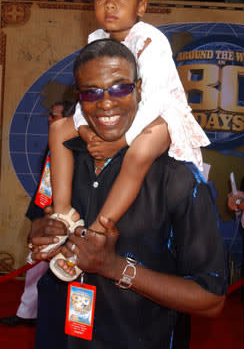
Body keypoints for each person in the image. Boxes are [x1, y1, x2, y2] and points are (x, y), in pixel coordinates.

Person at [29, 39, 227, 349]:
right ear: (79, 98)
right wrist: (43, 232)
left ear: (138, 89)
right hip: (59, 336)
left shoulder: (177, 176)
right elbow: (47, 216)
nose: (106, 103)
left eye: (120, 88)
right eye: (91, 92)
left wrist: (114, 267)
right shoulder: (65, 155)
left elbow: (211, 299)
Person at [45, 0, 210, 281]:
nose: (110, 5)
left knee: (140, 151)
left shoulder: (150, 40)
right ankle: (64, 212)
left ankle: (96, 232)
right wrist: (81, 127)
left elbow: (155, 99)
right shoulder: (96, 41)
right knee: (58, 127)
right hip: (117, 118)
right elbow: (86, 91)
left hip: (161, 119)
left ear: (142, 6)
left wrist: (121, 141)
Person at [0, 101, 74, 327]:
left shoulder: (79, 145)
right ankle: (27, 313)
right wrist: (39, 216)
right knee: (34, 265)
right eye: (50, 116)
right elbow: (46, 185)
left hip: (69, 219)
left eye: (55, 116)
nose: (50, 120)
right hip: (46, 214)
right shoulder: (53, 144)